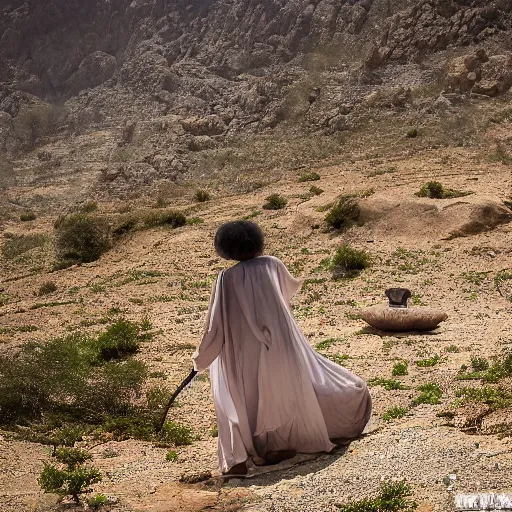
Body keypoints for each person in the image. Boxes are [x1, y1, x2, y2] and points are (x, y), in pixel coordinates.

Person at [192, 221, 372, 476]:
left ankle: (242, 459)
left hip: (241, 355)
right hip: (280, 346)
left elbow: (215, 327)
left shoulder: (225, 279)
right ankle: (274, 446)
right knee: (279, 394)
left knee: (239, 401)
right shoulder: (272, 264)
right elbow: (285, 295)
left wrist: (201, 360)